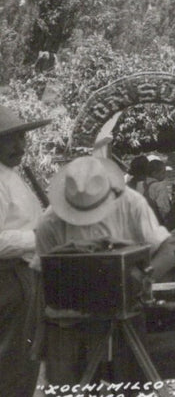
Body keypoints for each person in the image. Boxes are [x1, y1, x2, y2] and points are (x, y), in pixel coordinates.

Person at [34, 156, 175, 386]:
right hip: (70, 321)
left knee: (132, 384)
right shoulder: (50, 221)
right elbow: (41, 279)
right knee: (66, 387)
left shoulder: (131, 203)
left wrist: (142, 281)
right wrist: (43, 337)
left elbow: (167, 253)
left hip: (126, 312)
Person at [0, 105, 50, 397]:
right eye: (11, 139)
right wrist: (39, 237)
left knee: (23, 361)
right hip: (8, 279)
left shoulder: (12, 175)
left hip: (24, 276)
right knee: (11, 363)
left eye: (22, 138)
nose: (19, 146)